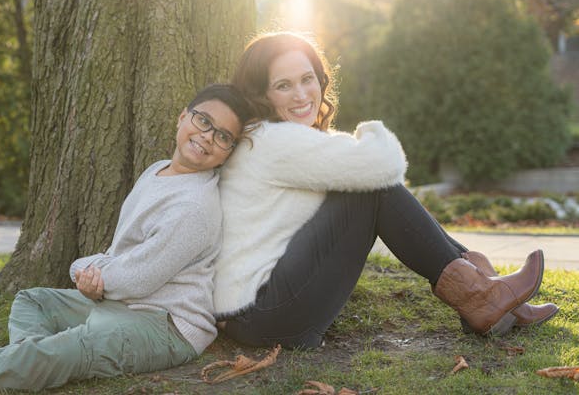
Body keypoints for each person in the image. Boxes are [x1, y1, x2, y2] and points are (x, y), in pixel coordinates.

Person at [0, 83, 254, 395]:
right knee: (32, 300)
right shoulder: (157, 170)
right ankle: (30, 366)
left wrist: (94, 277)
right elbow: (121, 256)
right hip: (120, 299)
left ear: (227, 151)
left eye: (223, 136)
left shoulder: (196, 207)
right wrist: (84, 270)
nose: (207, 137)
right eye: (203, 121)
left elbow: (138, 278)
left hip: (165, 325)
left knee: (68, 349)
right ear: (182, 118)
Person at [213, 32, 559, 349]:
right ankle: (482, 297)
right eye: (284, 85)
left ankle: (490, 296)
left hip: (259, 313)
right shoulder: (273, 140)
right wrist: (370, 131)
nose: (302, 94)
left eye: (307, 79)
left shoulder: (269, 138)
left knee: (367, 183)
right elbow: (384, 166)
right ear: (261, 95)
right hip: (265, 314)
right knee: (371, 189)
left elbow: (351, 166)